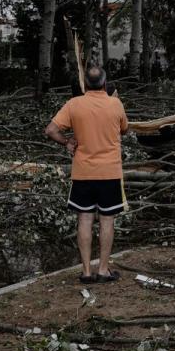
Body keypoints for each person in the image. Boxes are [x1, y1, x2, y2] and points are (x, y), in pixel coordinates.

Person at [44, 65, 128, 283]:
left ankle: (86, 272)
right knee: (107, 221)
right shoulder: (115, 103)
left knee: (84, 219)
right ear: (104, 82)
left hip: (83, 173)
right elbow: (124, 129)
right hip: (109, 172)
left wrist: (67, 141)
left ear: (85, 84)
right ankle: (103, 270)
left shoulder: (74, 104)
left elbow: (51, 130)